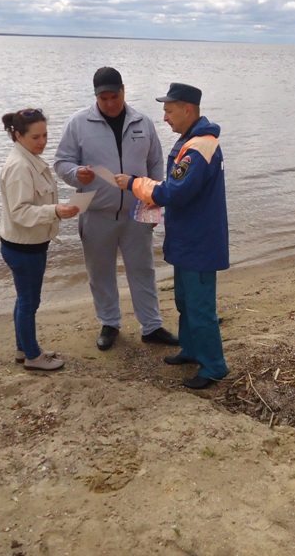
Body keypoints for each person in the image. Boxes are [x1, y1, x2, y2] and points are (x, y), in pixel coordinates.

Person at [54, 67, 179, 351]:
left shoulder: (142, 122)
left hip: (137, 212)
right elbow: (61, 162)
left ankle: (152, 326)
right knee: (100, 273)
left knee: (143, 270)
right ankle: (110, 323)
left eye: (115, 96)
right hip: (97, 214)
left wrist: (156, 199)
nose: (110, 103)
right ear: (95, 96)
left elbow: (156, 163)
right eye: (104, 98)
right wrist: (77, 174)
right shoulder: (77, 123)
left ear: (124, 90)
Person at [114, 83, 229, 389]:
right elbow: (177, 191)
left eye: (168, 110)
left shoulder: (200, 146)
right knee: (185, 301)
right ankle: (192, 350)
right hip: (187, 240)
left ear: (187, 109)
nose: (164, 117)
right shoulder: (190, 141)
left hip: (199, 243)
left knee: (201, 307)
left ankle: (213, 366)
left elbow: (175, 192)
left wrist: (135, 184)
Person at [0, 108, 79, 371]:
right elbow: (19, 212)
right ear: (18, 136)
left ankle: (24, 349)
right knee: (29, 302)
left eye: (45, 135)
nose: (43, 141)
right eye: (36, 137)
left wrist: (55, 210)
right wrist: (55, 211)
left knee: (25, 299)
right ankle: (32, 355)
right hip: (23, 247)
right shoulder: (20, 166)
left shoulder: (29, 159)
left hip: (26, 243)